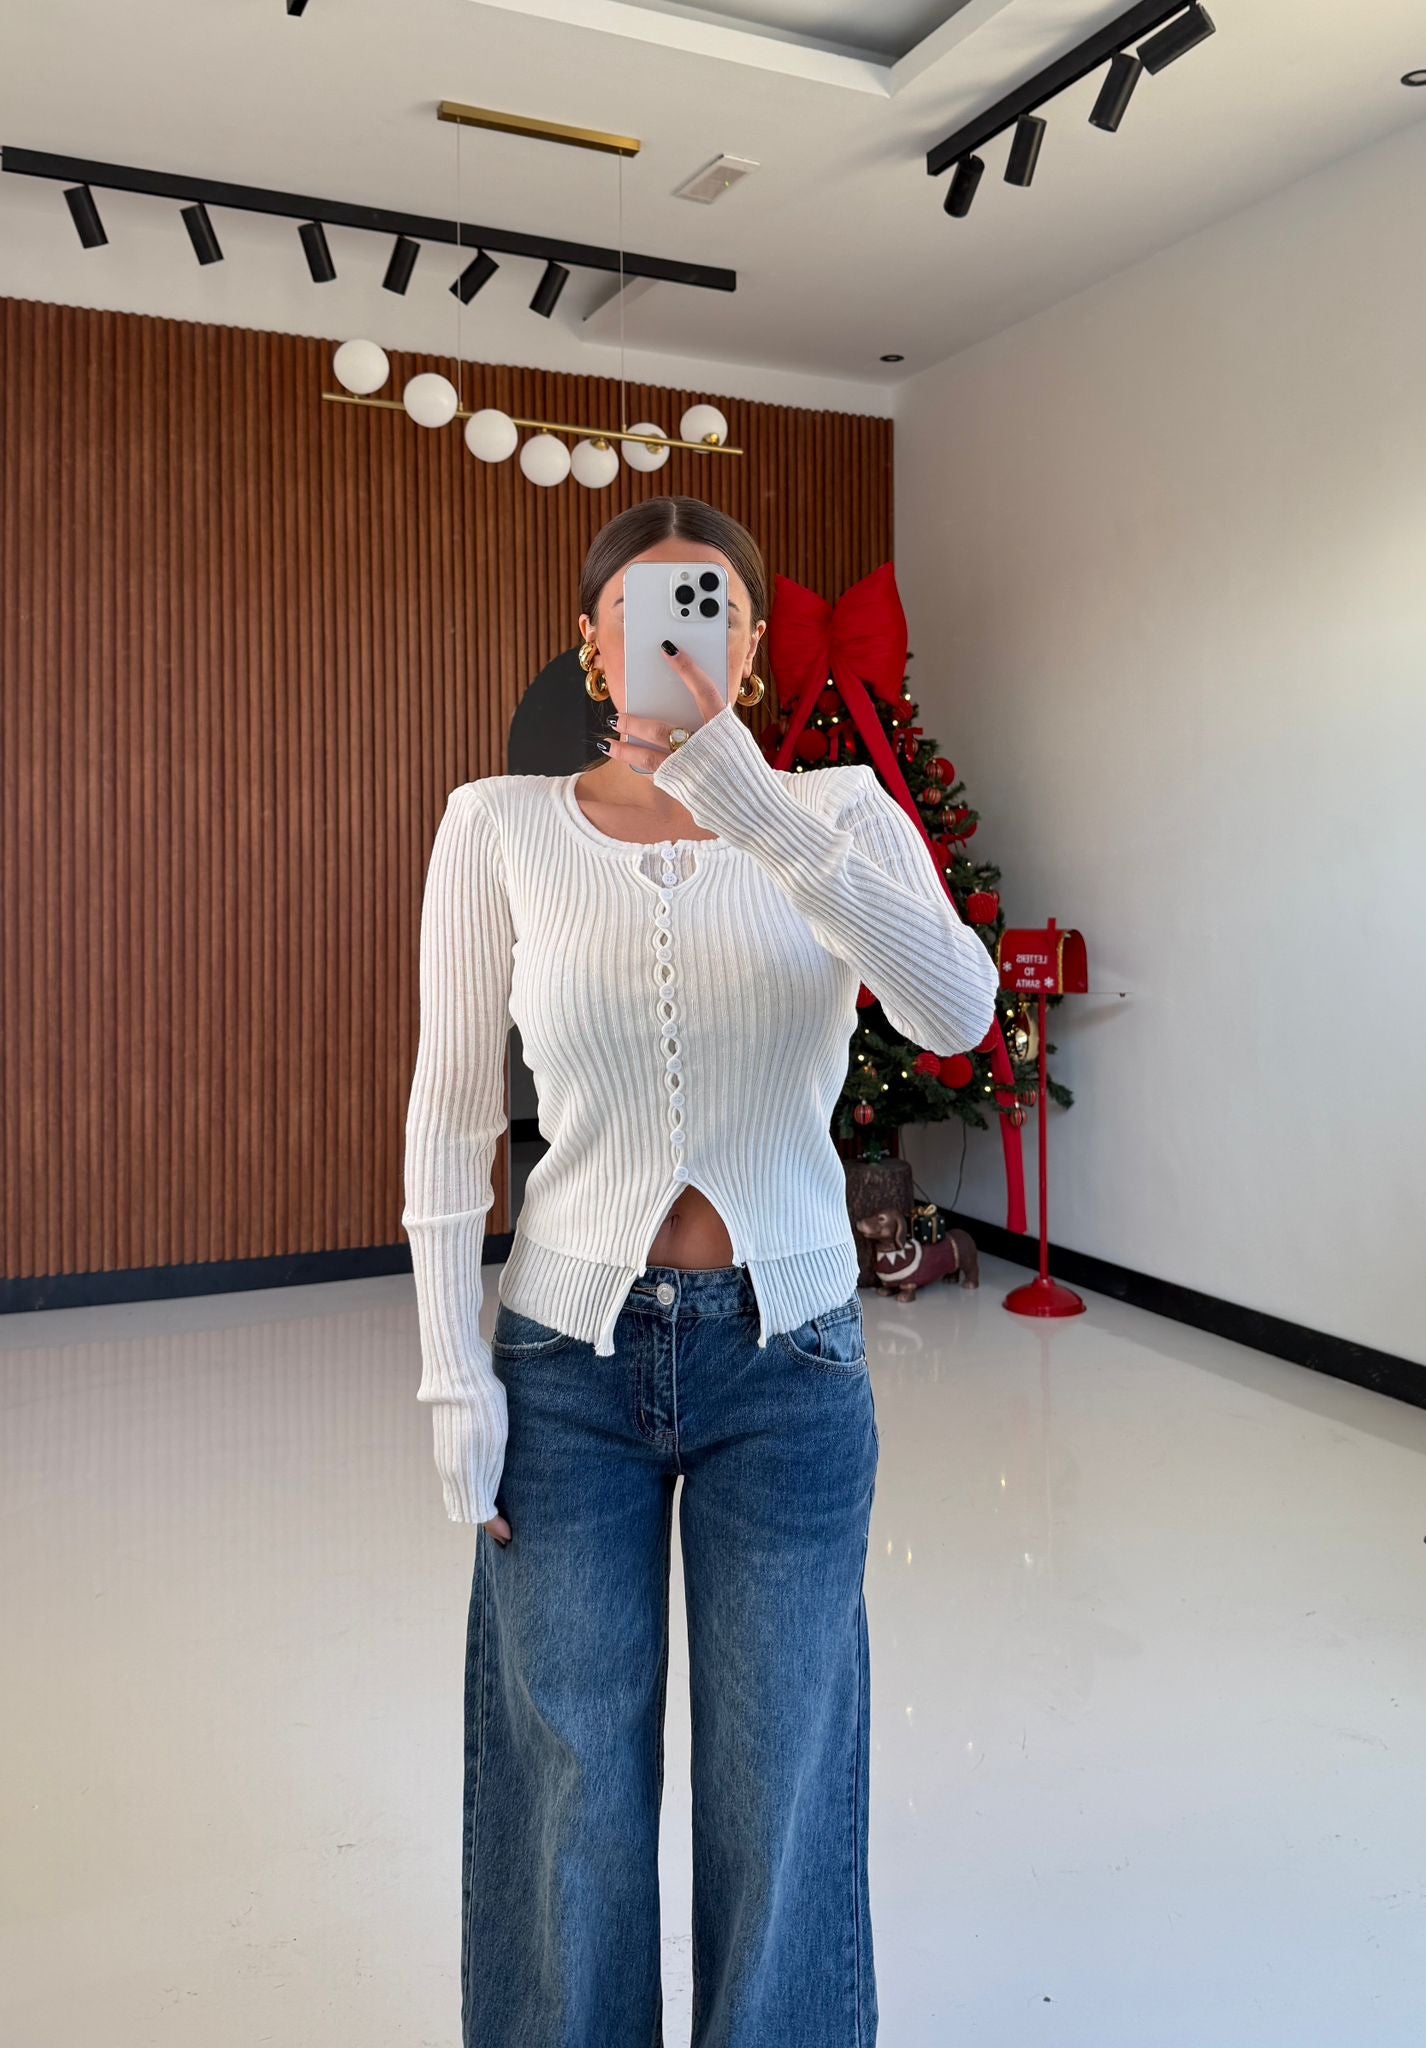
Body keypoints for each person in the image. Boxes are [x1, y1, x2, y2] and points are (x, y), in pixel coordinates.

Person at [401, 495, 1000, 2046]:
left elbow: (953, 1013)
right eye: (651, 607)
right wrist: (451, 1371)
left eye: (717, 604)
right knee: (569, 1777)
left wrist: (758, 808)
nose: (686, 631)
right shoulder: (497, 825)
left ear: (749, 644)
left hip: (787, 1361)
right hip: (563, 1366)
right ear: (591, 646)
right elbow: (451, 1111)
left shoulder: (842, 811)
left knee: (782, 1773)